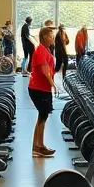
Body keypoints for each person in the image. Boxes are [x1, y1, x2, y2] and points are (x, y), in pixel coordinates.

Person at [28, 26, 57, 158]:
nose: (53, 38)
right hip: (38, 88)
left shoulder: (45, 49)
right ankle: (39, 146)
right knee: (43, 117)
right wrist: (53, 85)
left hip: (42, 88)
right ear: (45, 37)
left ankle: (38, 146)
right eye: (51, 35)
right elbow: (45, 70)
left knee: (42, 117)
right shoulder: (40, 50)